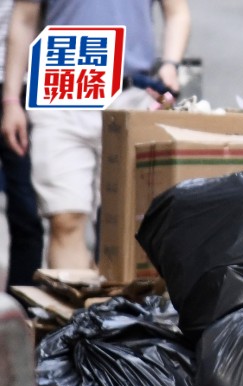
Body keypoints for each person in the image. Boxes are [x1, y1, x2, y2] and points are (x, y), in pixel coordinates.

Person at [1, 0, 191, 270]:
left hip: (129, 94)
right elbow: (23, 19)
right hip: (62, 85)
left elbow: (177, 12)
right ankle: (74, 310)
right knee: (65, 219)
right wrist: (11, 102)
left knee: (129, 223)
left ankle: (115, 309)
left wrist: (170, 63)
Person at [0, 0, 42, 289]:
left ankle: (22, 311)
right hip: (19, 91)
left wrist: (12, 100)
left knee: (27, 209)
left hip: (26, 85)